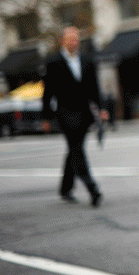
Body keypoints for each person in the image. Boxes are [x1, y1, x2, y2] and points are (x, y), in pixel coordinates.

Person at [41, 26, 106, 207]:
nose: (74, 42)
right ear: (63, 40)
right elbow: (48, 92)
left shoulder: (86, 60)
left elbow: (94, 87)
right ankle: (92, 188)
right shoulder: (53, 62)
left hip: (84, 113)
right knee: (77, 149)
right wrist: (46, 117)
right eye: (70, 39)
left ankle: (65, 188)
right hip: (65, 112)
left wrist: (101, 108)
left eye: (76, 39)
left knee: (75, 149)